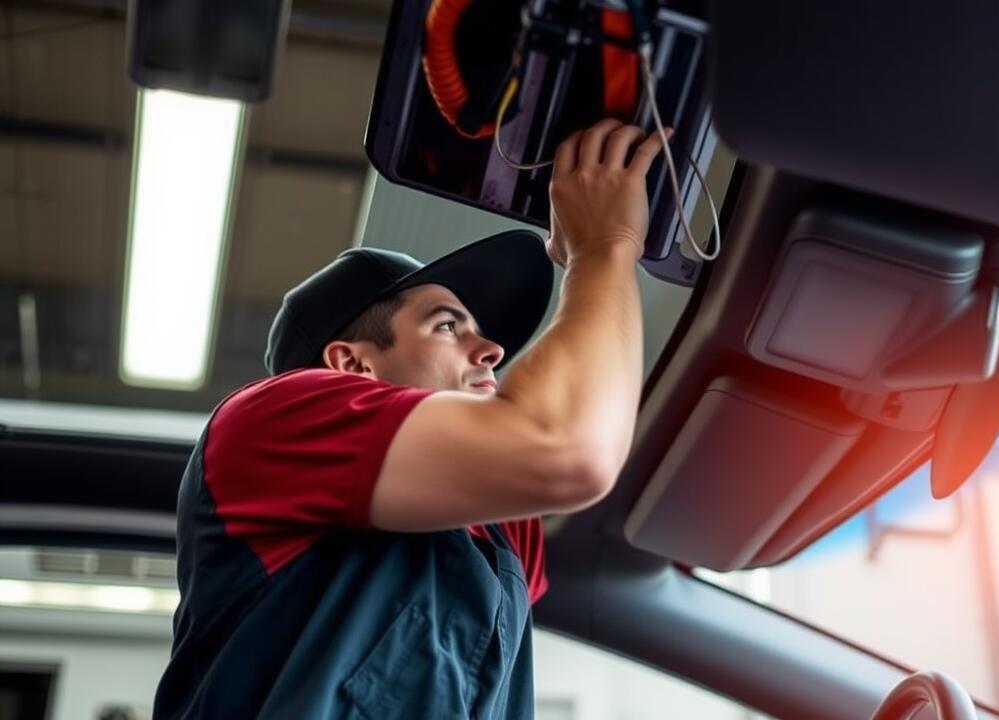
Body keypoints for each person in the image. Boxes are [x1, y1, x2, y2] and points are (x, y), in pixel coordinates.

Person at [153, 119, 667, 719]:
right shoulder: (270, 421)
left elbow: (576, 438)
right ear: (351, 366)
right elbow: (568, 448)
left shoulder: (498, 529)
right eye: (449, 325)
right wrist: (605, 247)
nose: (493, 350)